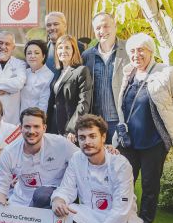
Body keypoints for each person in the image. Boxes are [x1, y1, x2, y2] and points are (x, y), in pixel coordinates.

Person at [116, 33, 173, 223]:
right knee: (124, 181)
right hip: (129, 140)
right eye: (133, 51)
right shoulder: (129, 73)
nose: (137, 55)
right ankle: (123, 219)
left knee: (150, 184)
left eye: (141, 50)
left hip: (153, 140)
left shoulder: (168, 72)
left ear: (151, 51)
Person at [50, 114, 147, 223]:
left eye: (92, 136)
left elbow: (120, 213)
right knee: (53, 210)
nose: (87, 142)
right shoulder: (76, 159)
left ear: (103, 137)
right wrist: (58, 199)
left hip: (121, 222)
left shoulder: (120, 164)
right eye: (82, 137)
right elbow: (66, 189)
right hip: (90, 214)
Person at [0, 107, 78, 208]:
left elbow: (82, 160)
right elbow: (0, 188)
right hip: (21, 202)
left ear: (44, 128)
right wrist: (0, 210)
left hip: (53, 201)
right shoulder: (9, 152)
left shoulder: (61, 144)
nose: (31, 131)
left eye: (36, 126)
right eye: (27, 126)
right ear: (20, 128)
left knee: (41, 195)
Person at [82, 12, 129, 143]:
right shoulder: (87, 56)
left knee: (121, 160)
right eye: (98, 28)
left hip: (122, 120)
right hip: (96, 122)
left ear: (115, 27)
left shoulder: (129, 50)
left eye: (106, 26)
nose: (102, 31)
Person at [47, 34, 93, 144]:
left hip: (70, 128)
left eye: (67, 47)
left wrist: (73, 128)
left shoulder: (81, 71)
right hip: (54, 125)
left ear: (74, 50)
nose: (63, 51)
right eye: (60, 47)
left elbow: (84, 103)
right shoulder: (57, 72)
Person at [44, 12, 86, 76]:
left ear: (65, 26)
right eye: (48, 25)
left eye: (56, 24)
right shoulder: (43, 49)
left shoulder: (77, 46)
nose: (52, 28)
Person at [20, 39, 54, 113]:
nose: (32, 56)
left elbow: (43, 104)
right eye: (29, 53)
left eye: (36, 53)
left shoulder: (49, 76)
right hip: (20, 119)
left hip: (36, 119)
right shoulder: (23, 73)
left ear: (43, 56)